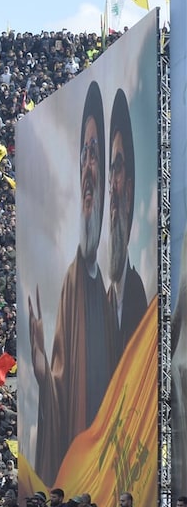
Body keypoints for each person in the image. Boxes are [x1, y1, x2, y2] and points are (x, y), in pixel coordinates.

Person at [29, 80, 114, 485]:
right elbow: (62, 392)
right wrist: (46, 375)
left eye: (94, 155)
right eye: (84, 153)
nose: (88, 168)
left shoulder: (108, 290)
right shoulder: (72, 283)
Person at [106, 88, 147, 364]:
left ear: (130, 189)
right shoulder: (105, 299)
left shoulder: (138, 298)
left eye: (118, 168)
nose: (112, 184)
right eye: (111, 171)